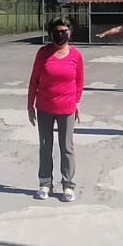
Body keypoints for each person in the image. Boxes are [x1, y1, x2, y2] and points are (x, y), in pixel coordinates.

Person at [27, 17, 85, 202]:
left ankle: (68, 185)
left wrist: (75, 102)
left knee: (67, 147)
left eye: (63, 31)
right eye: (56, 31)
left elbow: (80, 81)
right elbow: (34, 79)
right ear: (51, 33)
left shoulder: (75, 56)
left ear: (70, 32)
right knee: (45, 146)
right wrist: (30, 105)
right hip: (44, 106)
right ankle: (45, 183)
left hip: (66, 108)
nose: (60, 34)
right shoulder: (43, 53)